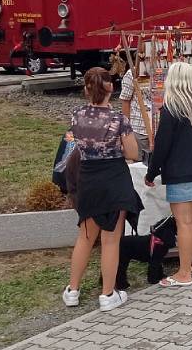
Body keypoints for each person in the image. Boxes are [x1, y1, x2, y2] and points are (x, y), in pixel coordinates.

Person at [63, 68, 143, 312]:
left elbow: (77, 144)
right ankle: (108, 294)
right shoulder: (119, 120)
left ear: (86, 89)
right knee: (110, 240)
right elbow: (133, 153)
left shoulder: (76, 115)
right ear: (111, 88)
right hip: (114, 179)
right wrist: (117, 148)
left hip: (88, 179)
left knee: (85, 237)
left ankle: (72, 290)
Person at [145, 62, 192, 287]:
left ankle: (184, 273)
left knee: (184, 223)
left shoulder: (172, 108)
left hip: (181, 173)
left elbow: (162, 146)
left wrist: (152, 172)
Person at [120, 64, 153, 164]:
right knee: (139, 165)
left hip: (160, 129)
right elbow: (125, 101)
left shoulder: (166, 70)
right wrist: (127, 131)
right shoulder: (132, 73)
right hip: (139, 129)